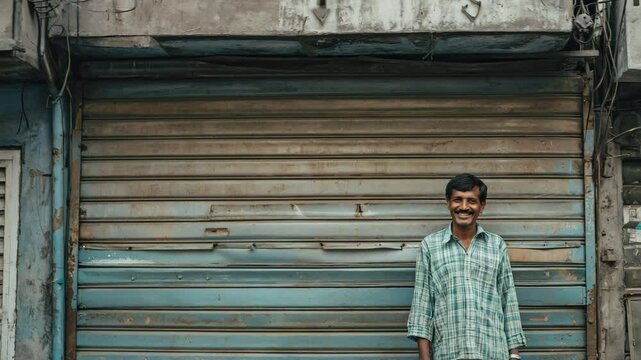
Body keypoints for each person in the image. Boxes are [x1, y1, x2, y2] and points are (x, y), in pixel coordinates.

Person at [407, 173, 526, 360]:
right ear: (448, 202)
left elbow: (508, 300)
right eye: (457, 200)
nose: (463, 207)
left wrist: (514, 355)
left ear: (482, 206)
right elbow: (422, 308)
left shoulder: (496, 245)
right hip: (449, 353)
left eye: (471, 201)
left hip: (492, 353)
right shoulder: (430, 246)